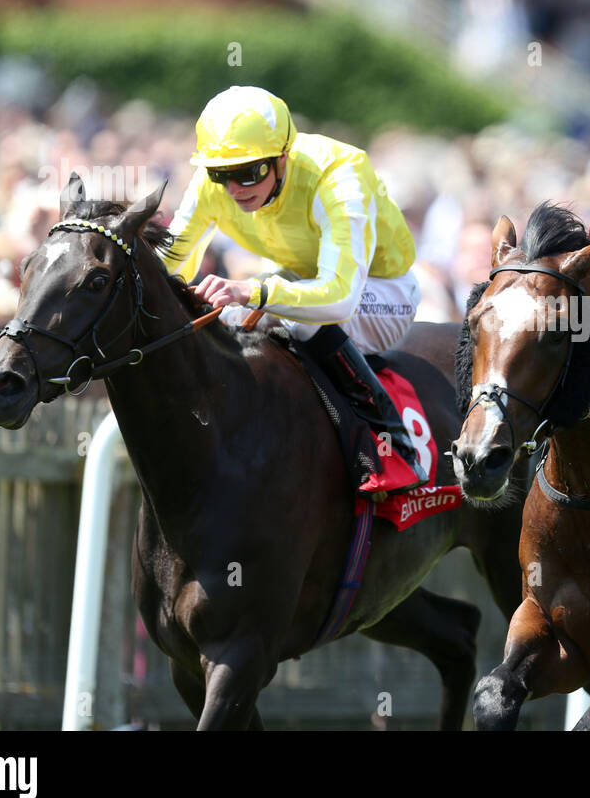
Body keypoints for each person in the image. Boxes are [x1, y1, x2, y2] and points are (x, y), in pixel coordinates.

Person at [163, 86, 427, 496]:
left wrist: (254, 292)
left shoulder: (340, 173)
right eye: (221, 174)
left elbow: (339, 297)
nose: (233, 188)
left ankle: (391, 443)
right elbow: (169, 262)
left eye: (248, 173)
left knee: (292, 316)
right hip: (303, 280)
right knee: (226, 317)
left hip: (381, 292)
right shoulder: (213, 180)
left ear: (282, 157)